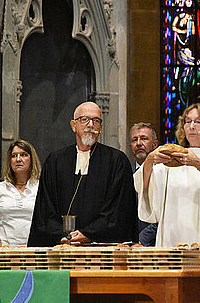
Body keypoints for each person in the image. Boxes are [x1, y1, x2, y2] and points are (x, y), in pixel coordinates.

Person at [28, 102, 137, 246]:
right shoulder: (55, 161)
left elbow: (119, 210)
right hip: (63, 247)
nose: (91, 125)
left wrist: (88, 234)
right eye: (85, 119)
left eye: (96, 121)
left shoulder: (117, 161)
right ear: (74, 125)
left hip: (102, 248)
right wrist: (62, 235)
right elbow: (45, 210)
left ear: (101, 127)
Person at [134, 103, 200, 247]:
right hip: (171, 231)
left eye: (198, 122)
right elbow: (145, 187)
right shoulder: (170, 159)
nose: (192, 126)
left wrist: (199, 165)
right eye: (187, 121)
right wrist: (150, 161)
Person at [0, 140, 41, 247]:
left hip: (33, 251)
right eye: (14, 156)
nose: (18, 159)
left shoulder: (41, 188)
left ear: (31, 160)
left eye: (23, 155)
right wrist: (0, 250)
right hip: (5, 251)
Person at [129, 122, 159, 246]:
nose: (139, 143)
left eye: (144, 139)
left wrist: (142, 239)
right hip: (129, 245)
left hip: (156, 244)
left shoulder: (164, 172)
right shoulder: (126, 172)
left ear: (155, 144)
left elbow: (164, 214)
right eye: (134, 140)